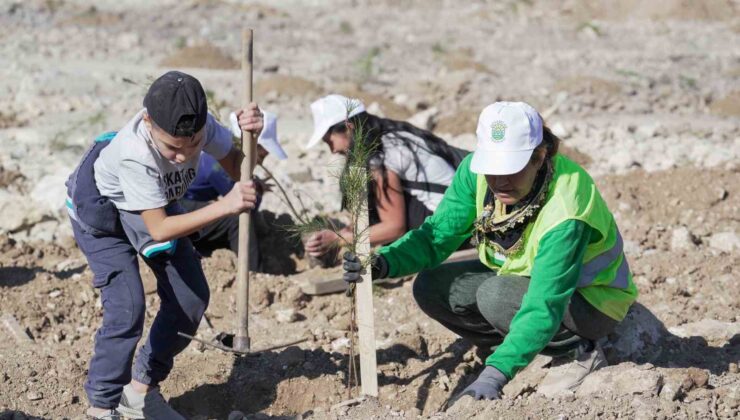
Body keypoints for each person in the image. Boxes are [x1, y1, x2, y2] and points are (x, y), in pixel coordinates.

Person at [343, 101, 638, 401]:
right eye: (492, 168)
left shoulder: (566, 207)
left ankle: (576, 352)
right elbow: (436, 237)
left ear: (539, 157)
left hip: (591, 300)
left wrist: (495, 375)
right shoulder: (475, 174)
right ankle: (520, 347)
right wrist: (383, 262)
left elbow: (544, 302)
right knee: (432, 286)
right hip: (520, 279)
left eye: (511, 168)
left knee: (495, 296)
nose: (500, 181)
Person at [64, 71, 264, 419]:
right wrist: (225, 206)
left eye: (193, 145)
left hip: (152, 201)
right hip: (102, 213)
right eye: (172, 147)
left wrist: (252, 138)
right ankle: (101, 407)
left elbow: (237, 168)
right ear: (148, 121)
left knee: (191, 299)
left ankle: (139, 394)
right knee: (127, 308)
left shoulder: (199, 129)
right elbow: (158, 229)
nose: (182, 156)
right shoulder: (134, 152)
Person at [304, 94, 469, 264]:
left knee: (381, 212)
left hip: (452, 227)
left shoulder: (382, 156)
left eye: (329, 141)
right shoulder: (388, 136)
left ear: (349, 127)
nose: (332, 150)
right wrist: (343, 234)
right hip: (461, 214)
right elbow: (361, 217)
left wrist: (339, 240)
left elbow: (394, 227)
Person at [181, 111, 287, 272]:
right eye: (261, 156)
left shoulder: (220, 154)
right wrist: (257, 191)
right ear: (252, 146)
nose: (261, 162)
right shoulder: (217, 163)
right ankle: (253, 274)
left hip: (189, 204)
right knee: (237, 219)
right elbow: (244, 202)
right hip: (181, 209)